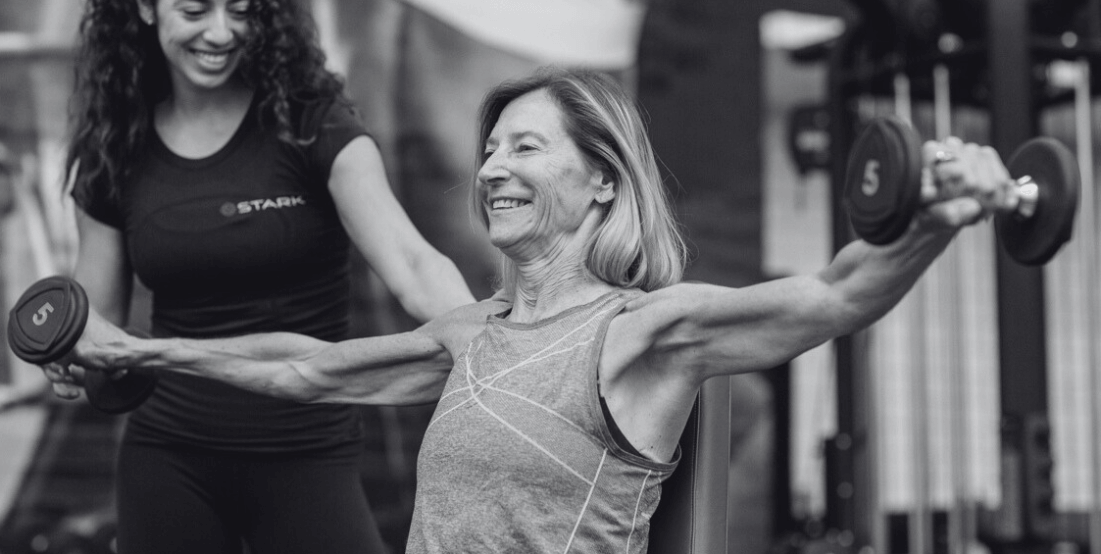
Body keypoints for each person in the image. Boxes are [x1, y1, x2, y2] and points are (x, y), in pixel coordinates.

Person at [62, 67, 1017, 553]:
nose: (491, 169)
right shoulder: (469, 333)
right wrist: (138, 353)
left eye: (524, 148)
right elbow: (302, 370)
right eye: (489, 152)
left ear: (602, 183)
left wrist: (937, 216)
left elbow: (837, 294)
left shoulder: (644, 333)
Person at [46, 0, 474, 552]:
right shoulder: (116, 144)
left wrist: (489, 344)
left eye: (241, 10)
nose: (220, 32)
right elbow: (96, 315)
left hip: (307, 453)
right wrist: (73, 351)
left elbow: (413, 264)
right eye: (194, 9)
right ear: (145, 4)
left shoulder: (313, 122)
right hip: (169, 455)